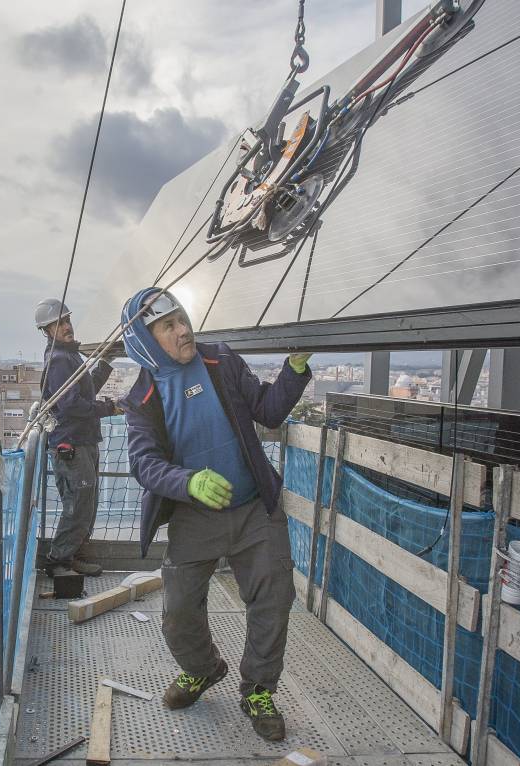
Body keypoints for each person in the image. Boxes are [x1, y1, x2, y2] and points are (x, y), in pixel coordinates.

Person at [118, 287, 312, 742]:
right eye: (168, 326)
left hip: (254, 509)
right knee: (179, 611)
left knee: (273, 600)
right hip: (194, 516)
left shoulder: (220, 360)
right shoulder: (142, 397)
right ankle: (203, 669)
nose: (183, 330)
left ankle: (258, 690)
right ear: (145, 342)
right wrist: (187, 482)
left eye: (182, 319)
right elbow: (144, 463)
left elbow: (268, 411)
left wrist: (295, 369)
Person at [35, 297, 117, 578]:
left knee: (86, 502)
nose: (66, 326)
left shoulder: (69, 356)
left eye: (67, 320)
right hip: (72, 444)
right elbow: (71, 405)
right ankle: (58, 561)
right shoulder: (59, 360)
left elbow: (86, 391)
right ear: (47, 331)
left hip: (82, 441)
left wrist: (105, 363)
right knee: (79, 504)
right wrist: (109, 409)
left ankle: (73, 556)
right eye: (59, 323)